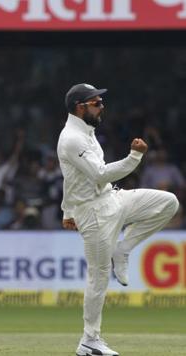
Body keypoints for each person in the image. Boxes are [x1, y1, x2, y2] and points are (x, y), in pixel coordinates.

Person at [57, 83, 179, 356]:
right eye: (97, 103)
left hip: (113, 199)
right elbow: (100, 174)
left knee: (168, 203)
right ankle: (89, 340)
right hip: (93, 214)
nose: (102, 107)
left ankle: (123, 250)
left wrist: (66, 210)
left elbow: (72, 177)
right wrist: (135, 156)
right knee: (98, 277)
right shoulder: (72, 138)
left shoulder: (86, 132)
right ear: (80, 107)